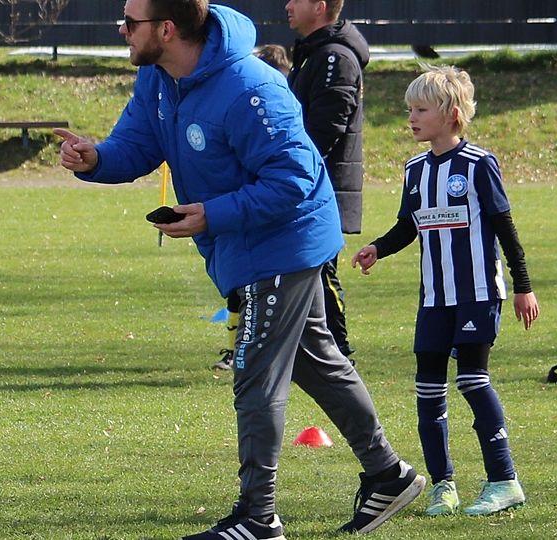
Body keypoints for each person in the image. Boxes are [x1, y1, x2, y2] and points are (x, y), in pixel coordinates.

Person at [55, 1, 424, 538]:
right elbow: (136, 144)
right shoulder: (159, 78)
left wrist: (213, 214)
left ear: (166, 28)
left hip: (283, 243)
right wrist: (97, 158)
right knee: (315, 362)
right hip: (245, 245)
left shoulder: (252, 88)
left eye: (130, 22)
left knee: (256, 378)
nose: (121, 29)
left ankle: (258, 517)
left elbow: (294, 179)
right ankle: (389, 474)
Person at [351, 65, 539, 517]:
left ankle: (504, 480)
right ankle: (443, 486)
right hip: (434, 298)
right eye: (409, 110)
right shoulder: (415, 169)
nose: (411, 118)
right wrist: (378, 248)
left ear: (452, 114)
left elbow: (505, 227)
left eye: (421, 110)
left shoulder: (478, 164)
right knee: (428, 390)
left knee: (473, 381)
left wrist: (523, 287)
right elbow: (408, 226)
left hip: (477, 292)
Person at [212, 0, 368, 370]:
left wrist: (287, 172)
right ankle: (296, 354)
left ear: (320, 6)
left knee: (321, 273)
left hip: (316, 191)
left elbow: (324, 131)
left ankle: (340, 354)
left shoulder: (334, 58)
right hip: (301, 187)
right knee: (301, 276)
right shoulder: (313, 53)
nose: (287, 5)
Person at [210, 42, 290, 371]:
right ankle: (235, 352)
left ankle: (249, 355)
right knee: (237, 289)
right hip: (237, 209)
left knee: (259, 291)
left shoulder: (277, 105)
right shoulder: (238, 103)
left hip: (265, 218)